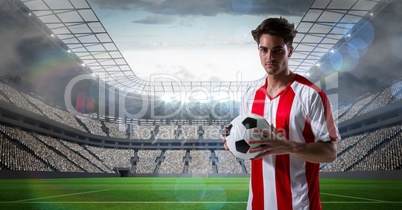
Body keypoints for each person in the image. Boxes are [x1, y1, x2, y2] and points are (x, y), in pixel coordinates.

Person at [222, 17, 340, 210]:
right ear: (259, 51)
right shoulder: (250, 96)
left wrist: (289, 147)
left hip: (299, 205)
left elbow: (330, 153)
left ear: (289, 51)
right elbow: (251, 146)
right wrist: (233, 141)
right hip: (257, 204)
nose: (270, 57)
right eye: (264, 50)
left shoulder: (311, 95)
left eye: (277, 50)